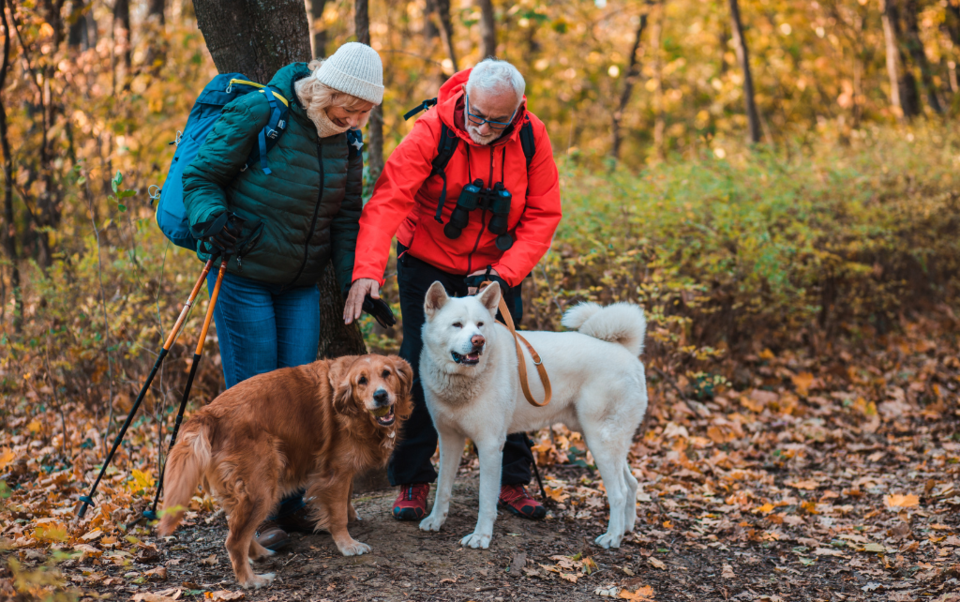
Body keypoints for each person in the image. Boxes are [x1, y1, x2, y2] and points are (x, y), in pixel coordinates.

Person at [181, 42, 384, 550]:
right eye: (352, 108)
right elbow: (200, 174)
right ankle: (253, 512)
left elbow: (345, 219)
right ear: (326, 92)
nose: (358, 120)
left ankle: (290, 506)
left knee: (300, 402)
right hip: (243, 275)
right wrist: (211, 219)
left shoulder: (348, 142)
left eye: (366, 112)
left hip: (300, 285)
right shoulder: (263, 110)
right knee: (254, 400)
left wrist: (359, 277)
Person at [344, 57, 562, 521]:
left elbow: (544, 214)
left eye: (496, 120)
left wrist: (505, 273)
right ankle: (412, 480)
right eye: (476, 115)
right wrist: (368, 269)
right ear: (466, 100)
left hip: (496, 271)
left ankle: (511, 480)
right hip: (428, 264)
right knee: (419, 363)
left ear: (518, 110)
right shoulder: (432, 128)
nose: (483, 127)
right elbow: (387, 202)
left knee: (505, 362)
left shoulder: (530, 135)